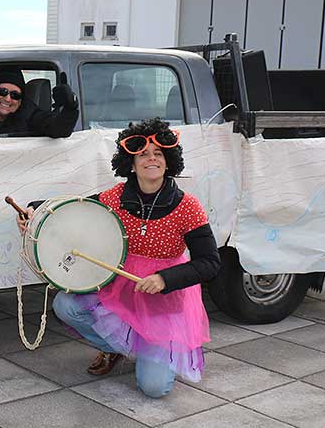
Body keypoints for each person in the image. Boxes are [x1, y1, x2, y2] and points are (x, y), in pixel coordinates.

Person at [18, 118, 220, 398]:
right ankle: (114, 347)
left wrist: (164, 278)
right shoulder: (115, 198)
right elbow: (72, 209)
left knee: (153, 388)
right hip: (121, 289)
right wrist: (33, 211)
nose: (151, 158)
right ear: (131, 163)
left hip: (164, 299)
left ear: (168, 160)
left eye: (158, 153)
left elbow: (209, 263)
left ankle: (151, 352)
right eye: (143, 154)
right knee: (66, 305)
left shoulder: (187, 206)